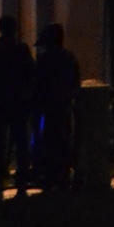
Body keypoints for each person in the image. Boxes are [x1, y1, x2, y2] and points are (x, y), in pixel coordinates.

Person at [0, 15, 35, 198]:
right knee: (20, 141)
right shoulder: (21, 49)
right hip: (18, 102)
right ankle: (21, 179)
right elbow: (31, 73)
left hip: (0, 101)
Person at [33, 23, 80, 191]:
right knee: (63, 139)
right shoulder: (69, 58)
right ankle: (63, 174)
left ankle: (51, 175)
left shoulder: (46, 61)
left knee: (50, 140)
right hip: (63, 105)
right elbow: (75, 82)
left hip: (49, 107)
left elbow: (37, 83)